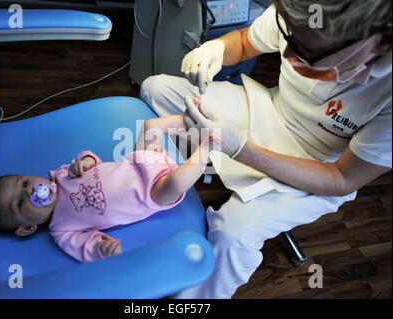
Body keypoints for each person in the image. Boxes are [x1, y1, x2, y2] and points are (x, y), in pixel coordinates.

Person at [140, 0, 392, 298]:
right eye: (288, 37)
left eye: (307, 52)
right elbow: (246, 42)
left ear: (384, 40)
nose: (285, 54)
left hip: (317, 166)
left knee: (234, 234)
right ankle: (146, 188)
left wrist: (239, 149)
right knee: (156, 88)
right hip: (268, 109)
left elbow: (341, 179)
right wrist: (217, 48)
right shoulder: (306, 14)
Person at [0, 114, 220, 263]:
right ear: (27, 228)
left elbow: (93, 160)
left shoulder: (61, 174)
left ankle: (196, 119)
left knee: (151, 126)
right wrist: (103, 249)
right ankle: (207, 147)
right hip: (152, 193)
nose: (31, 191)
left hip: (138, 161)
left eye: (24, 183)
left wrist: (84, 162)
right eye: (21, 203)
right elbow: (88, 248)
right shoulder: (61, 230)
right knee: (179, 183)